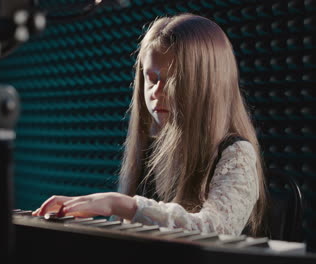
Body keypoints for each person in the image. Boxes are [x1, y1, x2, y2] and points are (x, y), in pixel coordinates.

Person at [32, 13, 268, 237]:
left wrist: (119, 203)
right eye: (151, 78)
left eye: (174, 80)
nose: (157, 92)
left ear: (206, 84)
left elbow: (215, 230)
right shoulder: (152, 146)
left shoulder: (237, 154)